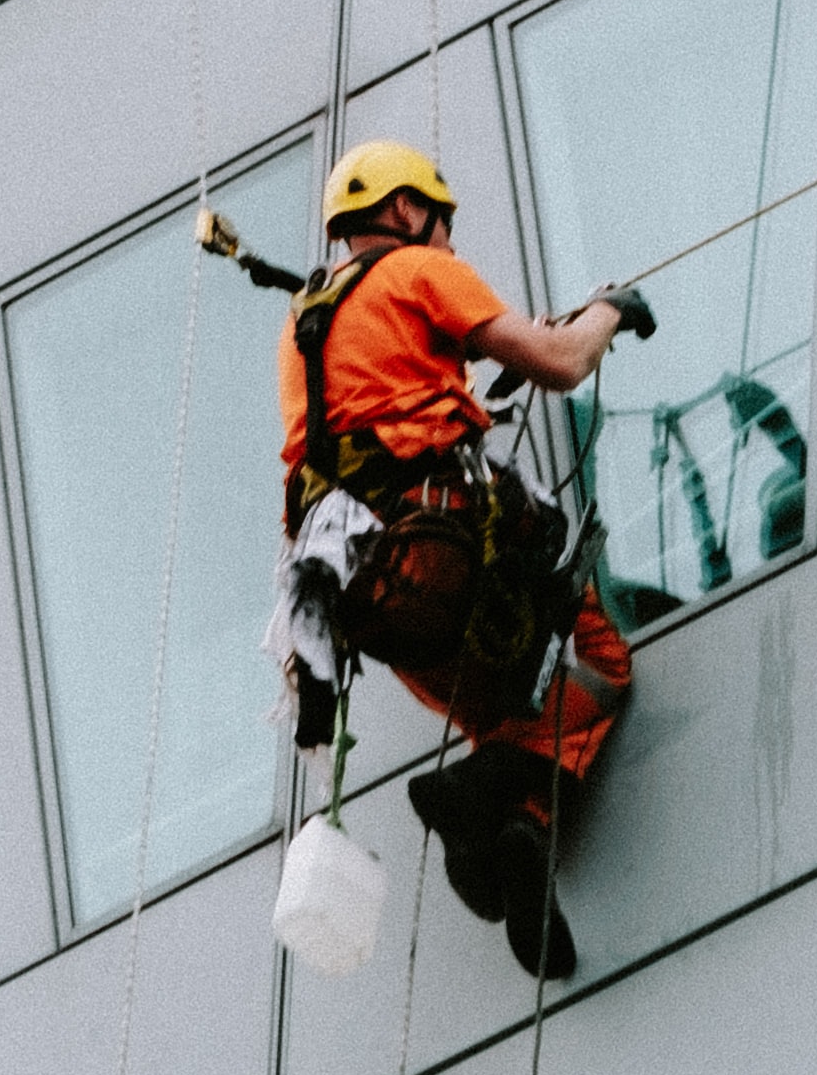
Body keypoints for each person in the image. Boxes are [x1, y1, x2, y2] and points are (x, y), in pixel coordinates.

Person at [277, 139, 650, 979]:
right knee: (597, 667)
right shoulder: (421, 272)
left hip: (371, 599)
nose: (447, 244)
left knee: (504, 718)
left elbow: (359, 429)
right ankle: (484, 797)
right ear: (409, 213)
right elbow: (559, 364)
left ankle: (519, 845)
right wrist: (611, 313)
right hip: (450, 546)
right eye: (440, 226)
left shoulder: (305, 327)